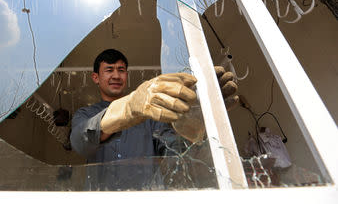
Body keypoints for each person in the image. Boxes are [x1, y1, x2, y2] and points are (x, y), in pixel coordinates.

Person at [70, 48, 238, 190]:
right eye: (109, 70)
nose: (116, 76)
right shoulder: (85, 114)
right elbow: (80, 141)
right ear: (95, 77)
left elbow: (175, 152)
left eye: (121, 70)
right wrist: (128, 108)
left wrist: (193, 118)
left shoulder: (151, 115)